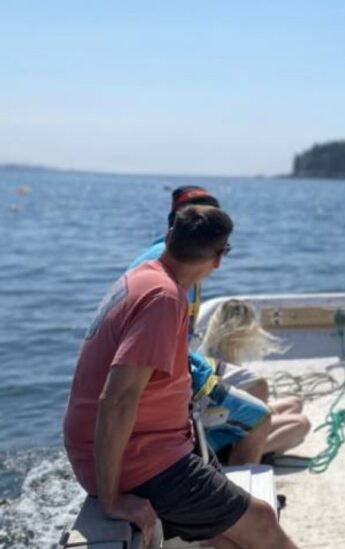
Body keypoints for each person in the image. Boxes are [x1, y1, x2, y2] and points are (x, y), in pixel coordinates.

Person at [64, 206, 299, 548]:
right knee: (261, 520)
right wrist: (110, 497)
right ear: (220, 258)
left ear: (170, 236)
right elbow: (117, 399)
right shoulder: (163, 299)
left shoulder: (143, 274)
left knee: (231, 537)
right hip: (142, 460)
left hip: (151, 448)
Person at [130, 186, 306, 465]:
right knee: (282, 419)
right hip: (174, 384)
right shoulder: (167, 276)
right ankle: (230, 476)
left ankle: (236, 441)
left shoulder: (172, 258)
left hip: (187, 364)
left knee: (279, 398)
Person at [202, 299, 311, 459]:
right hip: (224, 441)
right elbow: (256, 422)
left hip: (215, 424)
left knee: (295, 402)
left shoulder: (204, 356)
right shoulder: (251, 381)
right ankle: (253, 452)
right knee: (300, 423)